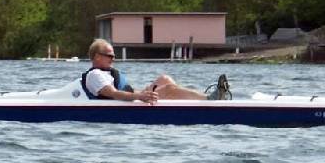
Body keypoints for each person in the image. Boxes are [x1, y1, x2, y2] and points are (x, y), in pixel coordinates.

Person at [81, 39, 231, 103]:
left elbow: (123, 90)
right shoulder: (95, 75)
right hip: (126, 103)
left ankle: (197, 99)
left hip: (133, 97)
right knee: (169, 89)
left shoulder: (106, 73)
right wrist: (140, 96)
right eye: (109, 56)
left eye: (114, 56)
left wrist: (141, 93)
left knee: (165, 79)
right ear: (97, 57)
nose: (113, 59)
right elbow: (114, 94)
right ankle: (209, 99)